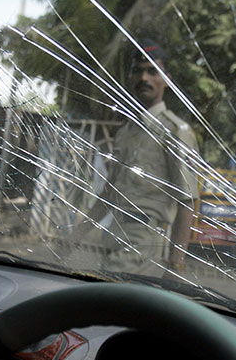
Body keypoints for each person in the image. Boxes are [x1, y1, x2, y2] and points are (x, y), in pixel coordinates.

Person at [68, 39, 200, 278]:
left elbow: (187, 202)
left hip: (145, 240)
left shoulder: (174, 131)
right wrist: (78, 233)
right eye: (137, 71)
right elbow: (110, 193)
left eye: (152, 71)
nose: (144, 78)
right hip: (114, 234)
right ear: (130, 77)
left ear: (166, 79)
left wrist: (175, 266)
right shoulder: (126, 132)